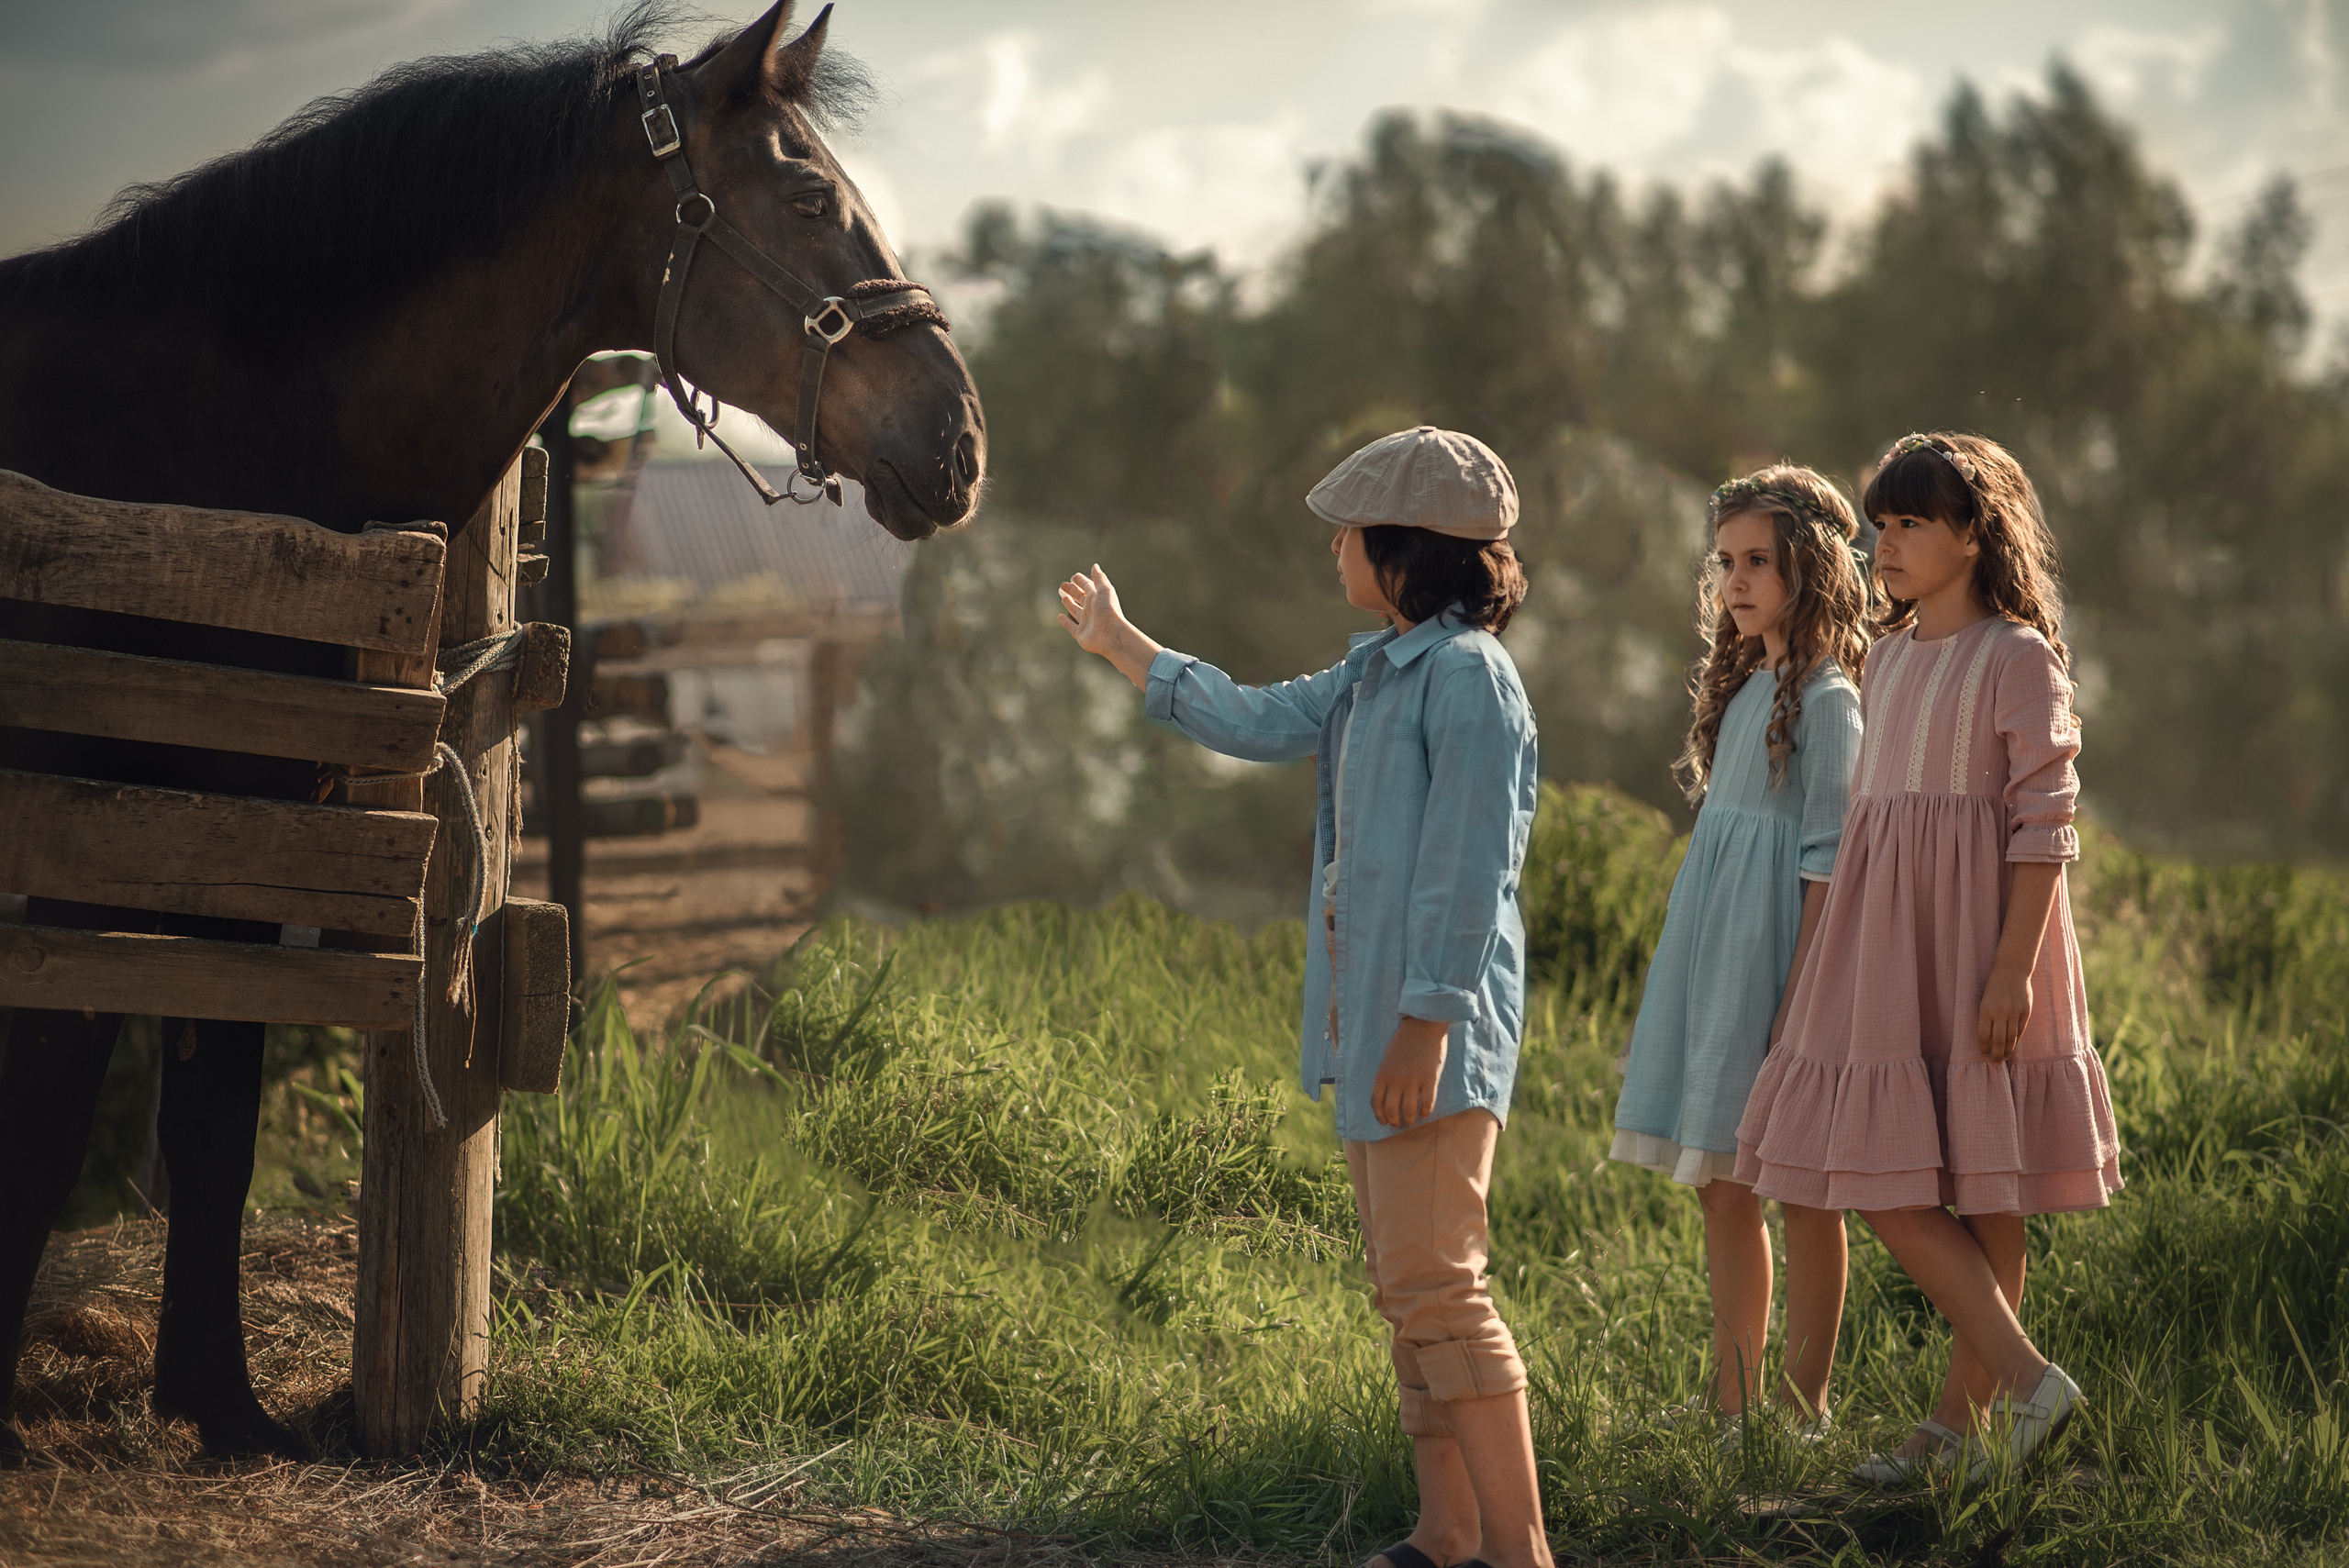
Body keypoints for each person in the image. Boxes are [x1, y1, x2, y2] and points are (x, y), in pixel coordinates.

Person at [1056, 427, 1550, 1568]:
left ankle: (1519, 1551)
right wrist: (1124, 643)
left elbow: (1473, 863)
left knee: (1441, 1288)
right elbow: (1253, 717)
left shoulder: (1469, 678)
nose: (1334, 548)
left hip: (1429, 1035)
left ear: (1404, 548)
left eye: (1350, 532)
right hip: (1378, 1029)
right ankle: (1446, 1532)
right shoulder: (1375, 672)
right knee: (1404, 1289)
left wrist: (1427, 1020)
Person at [1734, 431, 2121, 1483]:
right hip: (1887, 946)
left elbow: (2045, 824)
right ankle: (2031, 1381)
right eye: (1881, 524)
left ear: (1973, 534)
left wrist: (2012, 969)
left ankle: (1959, 1427)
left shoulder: (2017, 655)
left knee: (1984, 1181)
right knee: (1876, 1167)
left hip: (1980, 943)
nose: (1887, 544)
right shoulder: (1890, 655)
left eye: (1910, 523)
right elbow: (1873, 822)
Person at [1610, 465, 1870, 1438]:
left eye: (1759, 559)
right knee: (1720, 1183)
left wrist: (1799, 998)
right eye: (1725, 562)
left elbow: (1828, 862)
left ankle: (1803, 1410)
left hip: (1779, 963)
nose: (1736, 581)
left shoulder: (1831, 699)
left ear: (1813, 565)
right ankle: (1735, 1405)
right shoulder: (1747, 683)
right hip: (1715, 952)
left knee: (1801, 1190)